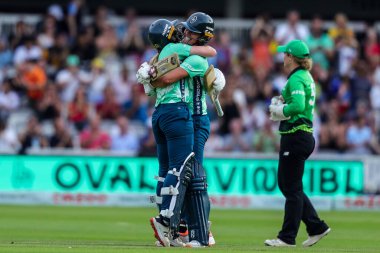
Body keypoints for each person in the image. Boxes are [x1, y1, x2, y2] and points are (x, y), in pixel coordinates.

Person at [136, 17, 217, 247]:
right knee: (187, 174)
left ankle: (190, 228)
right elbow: (207, 51)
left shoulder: (173, 56)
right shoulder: (179, 52)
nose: (184, 34)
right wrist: (152, 76)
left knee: (175, 173)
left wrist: (149, 75)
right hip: (182, 115)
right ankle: (176, 225)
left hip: (178, 117)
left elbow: (156, 85)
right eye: (181, 31)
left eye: (189, 31)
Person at [265, 39, 331, 247]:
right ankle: (316, 227)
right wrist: (281, 102)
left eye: (285, 54)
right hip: (301, 136)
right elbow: (297, 102)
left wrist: (280, 110)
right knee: (289, 185)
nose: (282, 56)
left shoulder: (296, 78)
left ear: (291, 57)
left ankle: (287, 237)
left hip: (296, 135)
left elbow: (298, 105)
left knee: (290, 187)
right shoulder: (304, 76)